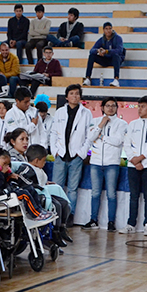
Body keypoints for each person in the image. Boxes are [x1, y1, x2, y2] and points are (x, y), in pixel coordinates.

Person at [119, 96, 147, 236]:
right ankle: (131, 223)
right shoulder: (132, 124)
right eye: (138, 106)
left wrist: (141, 159)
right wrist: (133, 160)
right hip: (133, 166)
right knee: (133, 196)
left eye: (143, 106)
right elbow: (127, 143)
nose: (139, 109)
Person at [48, 84, 93, 218]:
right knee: (57, 187)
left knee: (73, 189)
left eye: (77, 93)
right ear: (67, 97)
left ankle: (69, 216)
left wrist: (81, 153)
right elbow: (53, 133)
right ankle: (56, 214)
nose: (75, 96)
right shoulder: (60, 111)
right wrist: (55, 150)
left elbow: (89, 136)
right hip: (60, 155)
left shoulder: (86, 113)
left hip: (76, 156)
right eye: (72, 93)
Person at [83, 97, 127, 231]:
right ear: (102, 107)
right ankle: (93, 220)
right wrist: (101, 125)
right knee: (95, 193)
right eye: (107, 106)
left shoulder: (122, 124)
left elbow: (118, 141)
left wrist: (102, 137)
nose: (110, 108)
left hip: (112, 162)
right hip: (96, 162)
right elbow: (90, 138)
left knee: (111, 194)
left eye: (113, 106)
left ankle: (111, 222)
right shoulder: (95, 122)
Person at [84, 23, 124, 87]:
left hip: (115, 60)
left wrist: (107, 51)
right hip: (105, 59)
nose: (108, 31)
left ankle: (116, 79)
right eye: (106, 29)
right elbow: (91, 50)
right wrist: (98, 51)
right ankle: (88, 78)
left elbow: (119, 50)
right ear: (103, 30)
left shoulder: (118, 38)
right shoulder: (101, 39)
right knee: (91, 56)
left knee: (115, 55)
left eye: (110, 28)